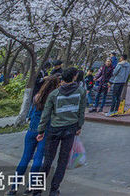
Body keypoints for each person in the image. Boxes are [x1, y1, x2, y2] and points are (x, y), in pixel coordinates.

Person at [35, 67, 87, 196]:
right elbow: (81, 111)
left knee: (47, 161)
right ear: (74, 77)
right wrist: (79, 126)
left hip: (54, 129)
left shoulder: (55, 94)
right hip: (70, 129)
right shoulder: (81, 92)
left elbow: (46, 114)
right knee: (62, 161)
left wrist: (41, 130)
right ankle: (54, 190)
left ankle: (37, 190)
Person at [8, 76, 60, 195]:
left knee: (25, 158)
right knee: (38, 159)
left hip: (31, 130)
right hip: (45, 131)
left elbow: (31, 114)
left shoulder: (37, 97)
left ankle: (13, 187)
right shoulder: (54, 99)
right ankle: (30, 187)